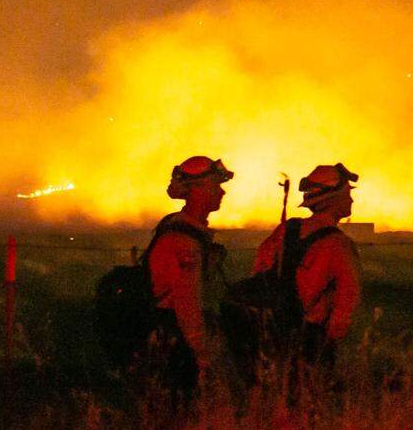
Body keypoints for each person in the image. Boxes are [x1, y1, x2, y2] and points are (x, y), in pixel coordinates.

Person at [252, 163, 362, 377]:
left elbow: (259, 271)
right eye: (347, 194)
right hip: (312, 337)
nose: (351, 200)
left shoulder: (286, 229)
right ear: (333, 199)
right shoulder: (339, 244)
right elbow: (348, 298)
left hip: (273, 330)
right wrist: (330, 343)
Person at [145, 156, 232, 411]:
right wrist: (202, 353)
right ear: (197, 190)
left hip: (173, 335)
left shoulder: (181, 229)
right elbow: (186, 301)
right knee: (182, 412)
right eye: (215, 185)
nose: (222, 192)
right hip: (178, 340)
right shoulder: (185, 241)